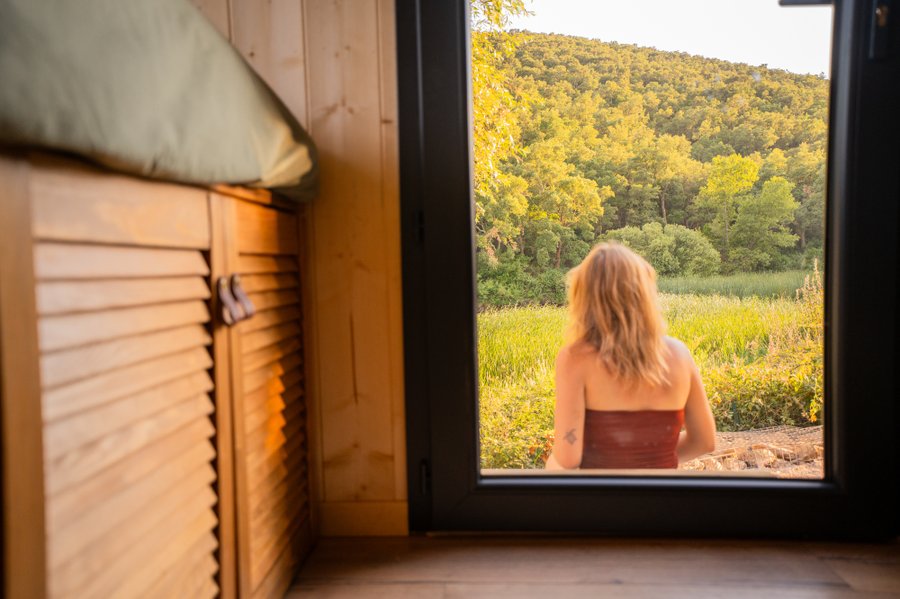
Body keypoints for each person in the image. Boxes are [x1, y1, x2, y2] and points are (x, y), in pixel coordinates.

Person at [545, 242, 716, 470]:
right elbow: (705, 441)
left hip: (601, 490)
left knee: (552, 466)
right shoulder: (679, 354)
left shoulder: (576, 358)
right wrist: (653, 458)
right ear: (643, 294)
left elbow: (568, 458)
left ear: (584, 297)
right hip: (663, 490)